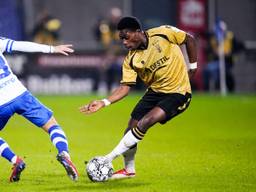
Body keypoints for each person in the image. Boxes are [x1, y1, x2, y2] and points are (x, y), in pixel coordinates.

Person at [80, 16, 197, 179]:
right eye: (121, 39)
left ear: (137, 31)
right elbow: (124, 88)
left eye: (126, 37)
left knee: (146, 121)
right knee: (131, 127)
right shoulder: (131, 60)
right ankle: (129, 170)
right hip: (155, 92)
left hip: (179, 92)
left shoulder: (163, 33)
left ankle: (107, 159)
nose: (124, 43)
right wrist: (103, 102)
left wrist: (192, 68)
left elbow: (189, 40)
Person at [0, 37, 78, 182]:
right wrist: (51, 49)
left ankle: (15, 160)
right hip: (19, 94)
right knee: (51, 125)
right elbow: (21, 45)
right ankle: (64, 154)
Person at [93, 7, 123, 92]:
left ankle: (117, 89)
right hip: (104, 53)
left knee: (116, 72)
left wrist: (112, 54)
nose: (115, 19)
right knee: (101, 70)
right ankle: (96, 89)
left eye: (117, 17)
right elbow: (102, 40)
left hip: (116, 54)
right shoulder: (105, 26)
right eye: (113, 17)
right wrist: (108, 55)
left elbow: (119, 41)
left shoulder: (120, 27)